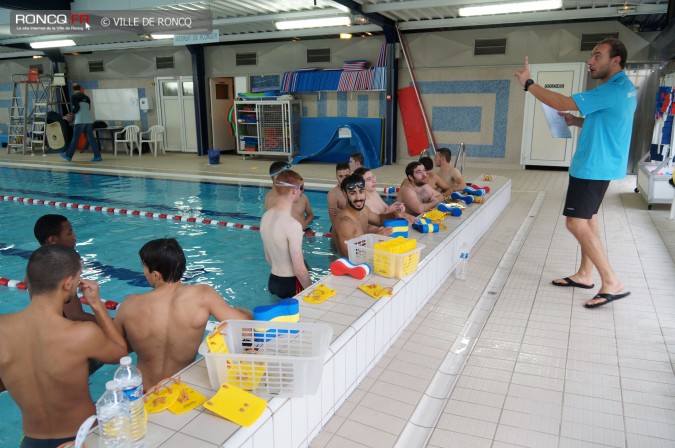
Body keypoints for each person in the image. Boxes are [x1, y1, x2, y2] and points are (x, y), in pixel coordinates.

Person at [515, 37, 636, 308]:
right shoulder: (624, 88)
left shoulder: (611, 90)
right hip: (601, 163)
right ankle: (585, 274)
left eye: (597, 56)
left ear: (615, 60)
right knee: (589, 220)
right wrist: (577, 121)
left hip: (593, 165)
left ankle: (611, 281)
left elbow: (562, 101)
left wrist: (528, 84)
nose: (590, 62)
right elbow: (608, 121)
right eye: (591, 56)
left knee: (575, 223)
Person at [0, 245, 127, 448]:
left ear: (26, 281)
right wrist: (96, 305)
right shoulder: (82, 333)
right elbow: (121, 352)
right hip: (82, 437)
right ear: (68, 284)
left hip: (32, 441)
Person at [114, 238, 252, 390]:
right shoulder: (203, 295)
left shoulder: (130, 304)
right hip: (183, 389)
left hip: (143, 392)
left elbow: (113, 350)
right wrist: (246, 314)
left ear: (155, 274)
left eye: (144, 268)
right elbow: (246, 329)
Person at [33, 214, 95, 323]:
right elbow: (75, 315)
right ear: (52, 240)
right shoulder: (57, 268)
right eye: (69, 233)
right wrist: (114, 323)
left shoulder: (37, 263)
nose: (74, 236)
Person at [260, 170, 312, 298]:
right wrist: (312, 290)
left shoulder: (265, 217)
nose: (301, 191)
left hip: (273, 281)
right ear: (294, 190)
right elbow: (299, 270)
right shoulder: (293, 225)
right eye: (301, 188)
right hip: (291, 284)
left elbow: (268, 257)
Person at [332, 174, 403, 257]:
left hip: (365, 260)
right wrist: (376, 238)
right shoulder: (344, 222)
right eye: (352, 193)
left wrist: (396, 214)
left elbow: (379, 219)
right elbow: (350, 256)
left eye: (361, 192)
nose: (358, 197)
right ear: (345, 194)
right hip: (351, 267)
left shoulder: (364, 209)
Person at [264, 161, 314, 230]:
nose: (290, 176)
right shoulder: (280, 199)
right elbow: (300, 225)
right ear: (277, 177)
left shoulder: (269, 196)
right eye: (286, 174)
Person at [60, 83, 103, 162]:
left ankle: (68, 155)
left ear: (73, 89)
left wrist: (71, 114)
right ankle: (97, 156)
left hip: (80, 121)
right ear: (80, 89)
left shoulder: (74, 97)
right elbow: (88, 108)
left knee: (75, 139)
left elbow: (77, 107)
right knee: (91, 139)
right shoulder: (86, 97)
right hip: (89, 120)